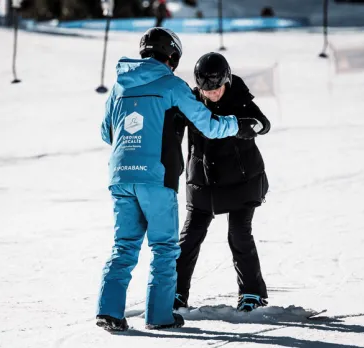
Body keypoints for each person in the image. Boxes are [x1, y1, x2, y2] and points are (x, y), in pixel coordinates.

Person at [96, 28, 255, 332]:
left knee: (124, 245)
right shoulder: (172, 85)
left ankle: (108, 311)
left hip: (120, 176)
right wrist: (238, 124)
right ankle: (159, 316)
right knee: (165, 247)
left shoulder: (119, 86)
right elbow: (208, 124)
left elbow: (107, 133)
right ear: (172, 56)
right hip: (156, 177)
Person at [174, 52, 271, 312]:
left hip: (242, 180)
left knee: (239, 234)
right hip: (203, 181)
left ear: (226, 80)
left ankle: (252, 293)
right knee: (189, 238)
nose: (213, 93)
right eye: (207, 89)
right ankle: (175, 293)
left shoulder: (239, 96)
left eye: (217, 88)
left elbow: (264, 124)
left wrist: (247, 127)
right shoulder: (192, 102)